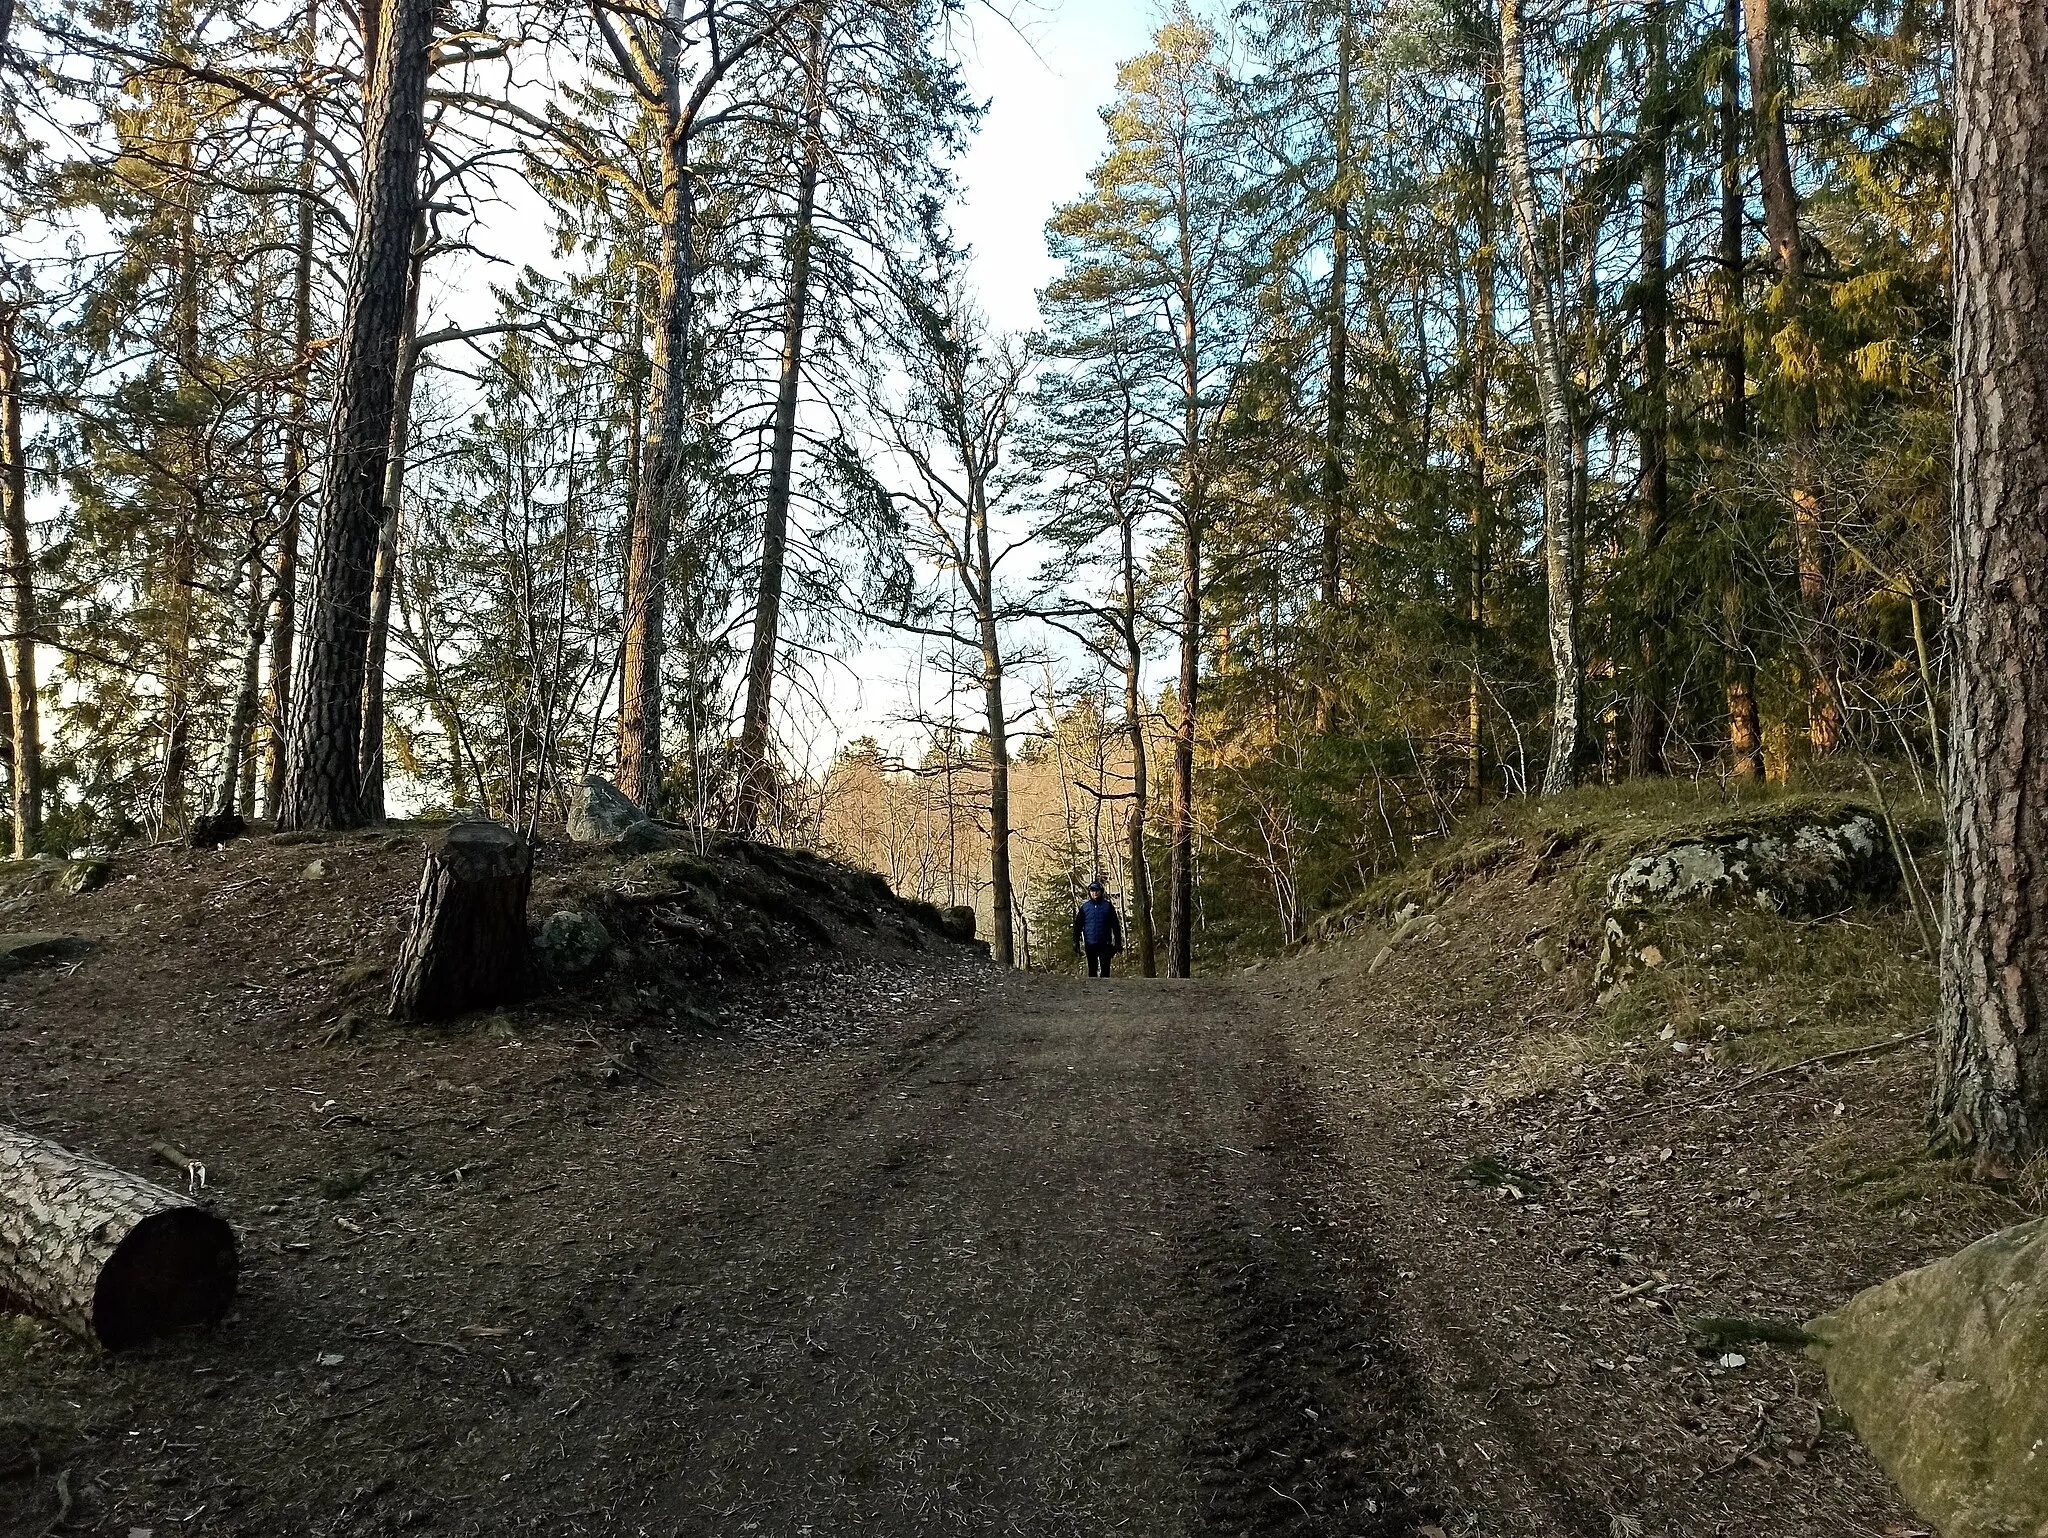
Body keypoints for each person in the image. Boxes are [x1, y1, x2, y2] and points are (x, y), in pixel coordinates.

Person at [1071, 880, 1124, 977]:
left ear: (1101, 891)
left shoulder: (1108, 906)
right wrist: (1076, 942)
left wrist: (1118, 943)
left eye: (1096, 890)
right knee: (1092, 970)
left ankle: (1106, 991)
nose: (1094, 893)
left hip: (1105, 943)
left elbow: (1115, 925)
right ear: (1089, 892)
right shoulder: (1085, 907)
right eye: (1092, 890)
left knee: (1105, 969)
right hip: (1090, 943)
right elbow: (1078, 926)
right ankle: (1092, 991)